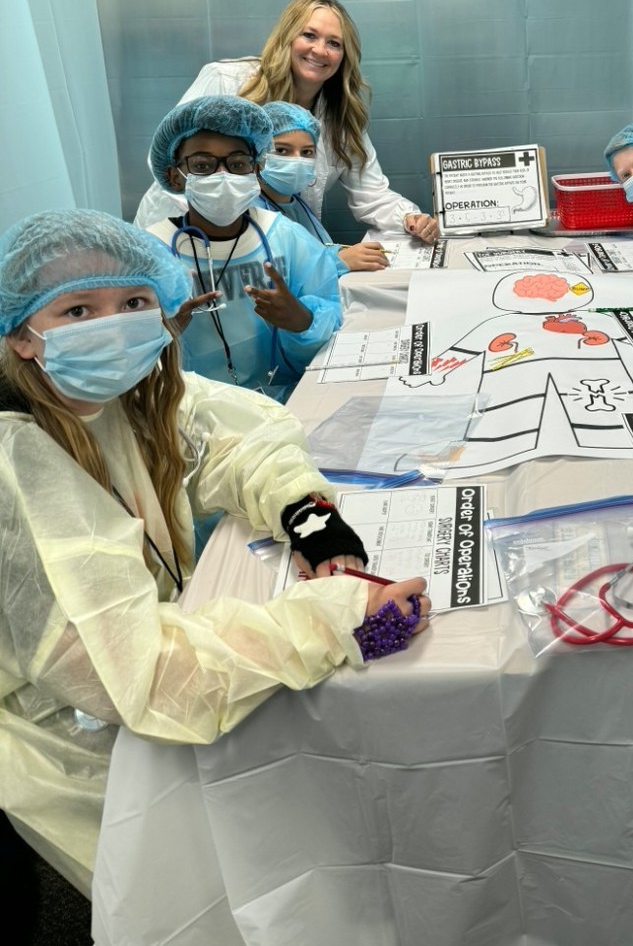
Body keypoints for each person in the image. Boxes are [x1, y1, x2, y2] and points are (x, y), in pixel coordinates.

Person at [0, 209, 430, 893]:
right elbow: (136, 678)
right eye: (78, 309)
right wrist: (335, 618)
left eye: (134, 302)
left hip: (152, 663)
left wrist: (311, 519)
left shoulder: (122, 394)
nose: (112, 325)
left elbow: (237, 438)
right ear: (21, 334)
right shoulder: (15, 462)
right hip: (73, 740)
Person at [133, 0, 438, 244]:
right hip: (183, 235)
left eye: (334, 43)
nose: (320, 50)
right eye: (309, 35)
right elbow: (166, 165)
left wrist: (409, 218)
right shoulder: (228, 82)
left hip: (276, 249)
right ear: (287, 38)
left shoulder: (337, 117)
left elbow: (371, 193)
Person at [146, 94, 341, 400]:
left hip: (284, 402)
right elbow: (126, 361)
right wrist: (158, 335)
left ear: (256, 170)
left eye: (237, 164)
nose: (223, 176)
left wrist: (301, 320)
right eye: (202, 165)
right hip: (192, 413)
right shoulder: (153, 254)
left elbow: (329, 322)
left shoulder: (284, 238)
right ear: (175, 175)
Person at [258, 100, 390, 275]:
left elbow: (312, 250)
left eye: (306, 152)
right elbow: (270, 275)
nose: (297, 161)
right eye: (282, 150)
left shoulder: (295, 203)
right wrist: (337, 261)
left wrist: (342, 253)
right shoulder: (251, 213)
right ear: (257, 152)